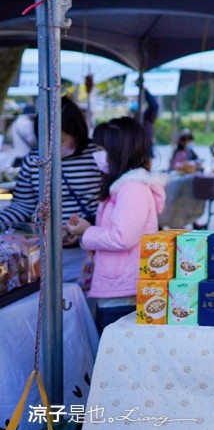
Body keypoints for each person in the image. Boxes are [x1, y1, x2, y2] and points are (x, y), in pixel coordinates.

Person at [67, 117, 166, 333]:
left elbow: (122, 237)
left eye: (101, 148)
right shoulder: (125, 186)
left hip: (124, 290)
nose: (97, 154)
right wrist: (86, 230)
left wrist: (87, 232)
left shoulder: (132, 188)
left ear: (117, 150)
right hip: (118, 286)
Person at [0, 96, 103, 237]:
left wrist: (89, 226)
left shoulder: (98, 154)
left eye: (61, 141)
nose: (54, 147)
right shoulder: (34, 160)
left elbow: (110, 201)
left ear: (76, 133)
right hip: (47, 246)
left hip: (90, 244)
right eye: (48, 141)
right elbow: (22, 205)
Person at [8, 102, 38, 166]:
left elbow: (10, 137)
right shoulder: (28, 123)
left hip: (17, 155)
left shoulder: (15, 122)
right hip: (26, 156)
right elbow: (33, 140)